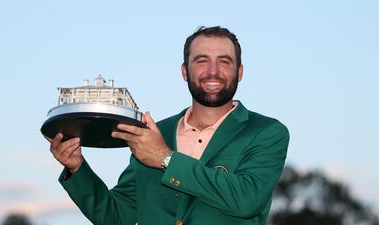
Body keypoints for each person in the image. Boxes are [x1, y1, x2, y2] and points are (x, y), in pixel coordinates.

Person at [46, 26, 290, 225]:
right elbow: (118, 217)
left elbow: (247, 199)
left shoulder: (266, 132)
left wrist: (165, 158)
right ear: (185, 71)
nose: (213, 72)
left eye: (224, 62)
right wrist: (77, 169)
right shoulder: (152, 134)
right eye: (202, 61)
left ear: (240, 71)